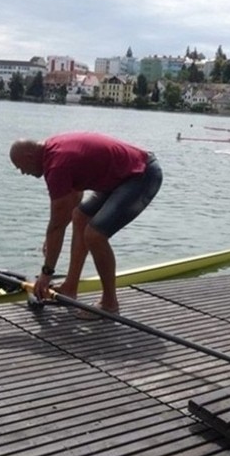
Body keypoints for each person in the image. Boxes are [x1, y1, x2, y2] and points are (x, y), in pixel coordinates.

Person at [9, 132, 163, 317]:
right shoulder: (52, 152)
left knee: (95, 235)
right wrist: (52, 240)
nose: (23, 173)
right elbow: (72, 201)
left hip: (142, 175)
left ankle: (109, 303)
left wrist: (46, 273)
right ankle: (70, 287)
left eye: (20, 167)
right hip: (122, 177)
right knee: (80, 216)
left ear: (29, 157)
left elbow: (57, 224)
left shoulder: (56, 165)